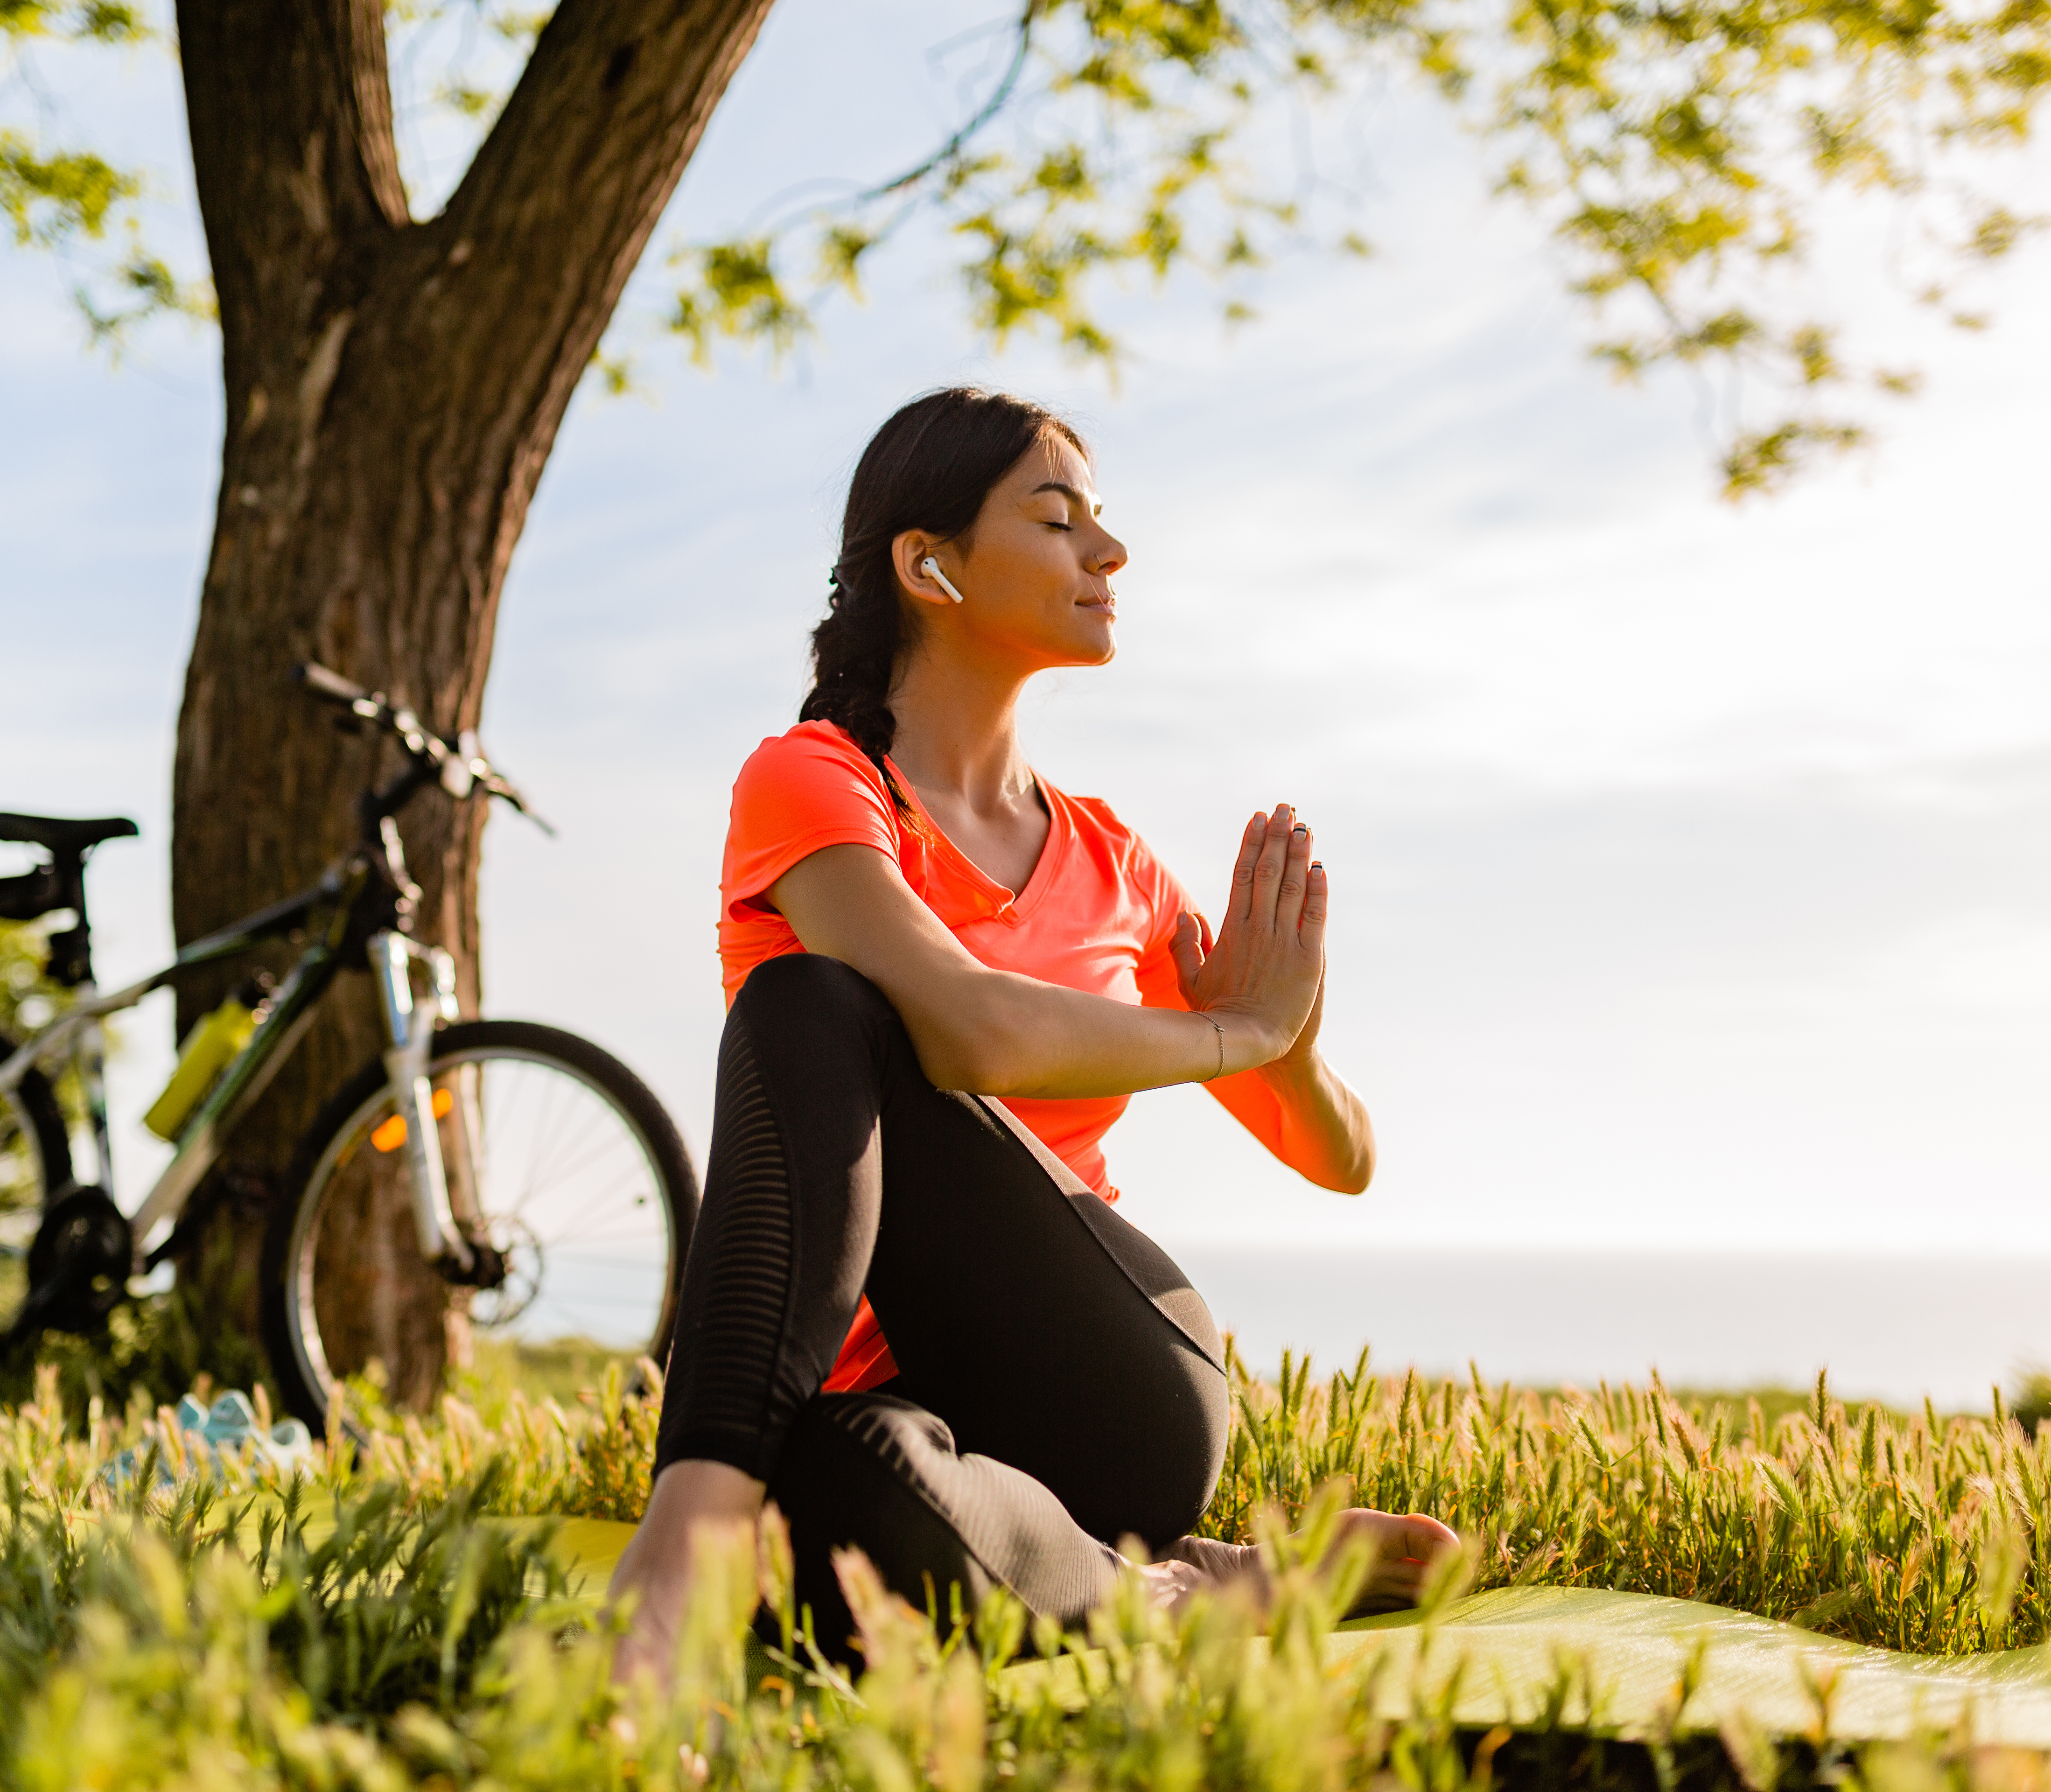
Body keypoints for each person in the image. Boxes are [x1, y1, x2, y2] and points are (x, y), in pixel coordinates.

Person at [606, 387, 1457, 1678]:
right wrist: (1233, 1029)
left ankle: (682, 1550)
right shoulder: (819, 782)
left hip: (1108, 1392)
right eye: (1060, 523)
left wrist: (1277, 1040)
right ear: (927, 565)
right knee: (842, 1496)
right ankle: (1180, 1596)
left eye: (1100, 526)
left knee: (809, 998)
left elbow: (1342, 1159)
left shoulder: (1116, 863)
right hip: (885, 1417)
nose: (1108, 555)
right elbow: (972, 1030)